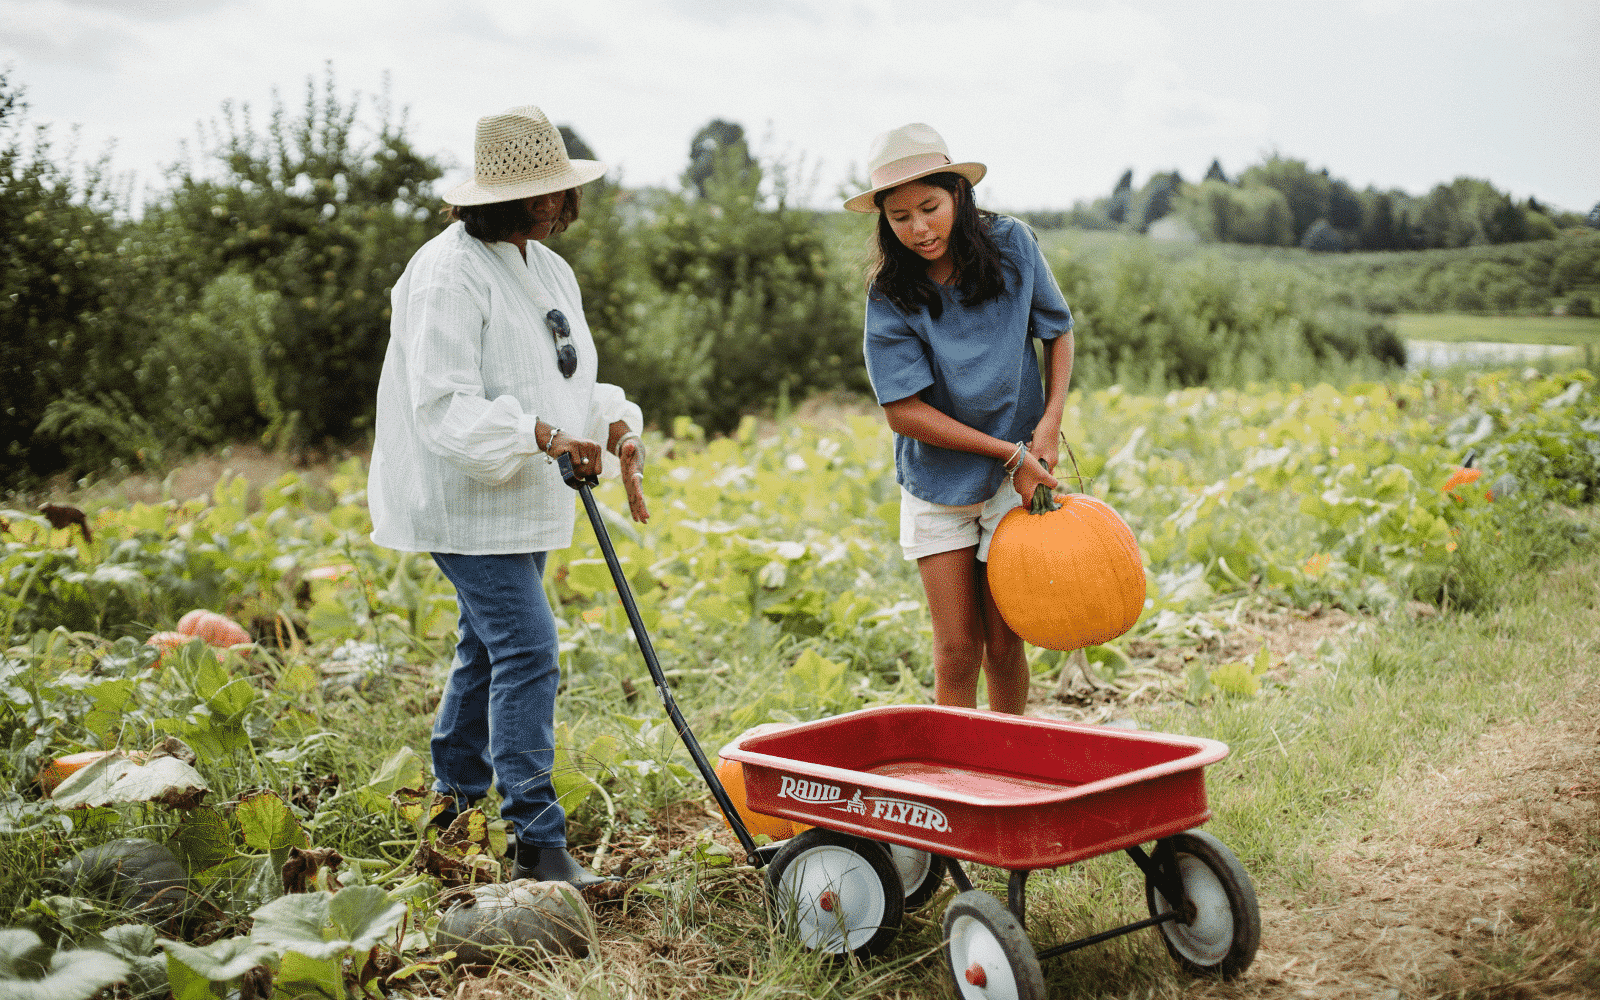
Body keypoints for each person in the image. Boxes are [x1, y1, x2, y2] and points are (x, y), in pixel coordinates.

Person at [368, 106, 648, 888]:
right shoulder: (445, 272)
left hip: (522, 492)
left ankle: (452, 808)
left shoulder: (546, 268)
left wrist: (614, 424)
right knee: (528, 646)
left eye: (564, 190)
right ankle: (537, 840)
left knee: (486, 647)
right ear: (502, 196)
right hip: (457, 492)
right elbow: (443, 406)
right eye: (543, 193)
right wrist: (544, 437)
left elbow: (566, 378)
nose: (560, 205)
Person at [844, 123, 1074, 716]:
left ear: (958, 196)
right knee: (956, 650)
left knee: (1005, 642)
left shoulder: (1013, 245)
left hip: (1016, 475)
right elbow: (904, 413)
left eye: (930, 207)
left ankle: (1007, 776)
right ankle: (956, 789)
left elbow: (1058, 331)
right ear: (884, 222)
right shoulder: (890, 291)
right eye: (900, 217)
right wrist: (1009, 453)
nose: (919, 228)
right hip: (939, 482)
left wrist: (1046, 430)